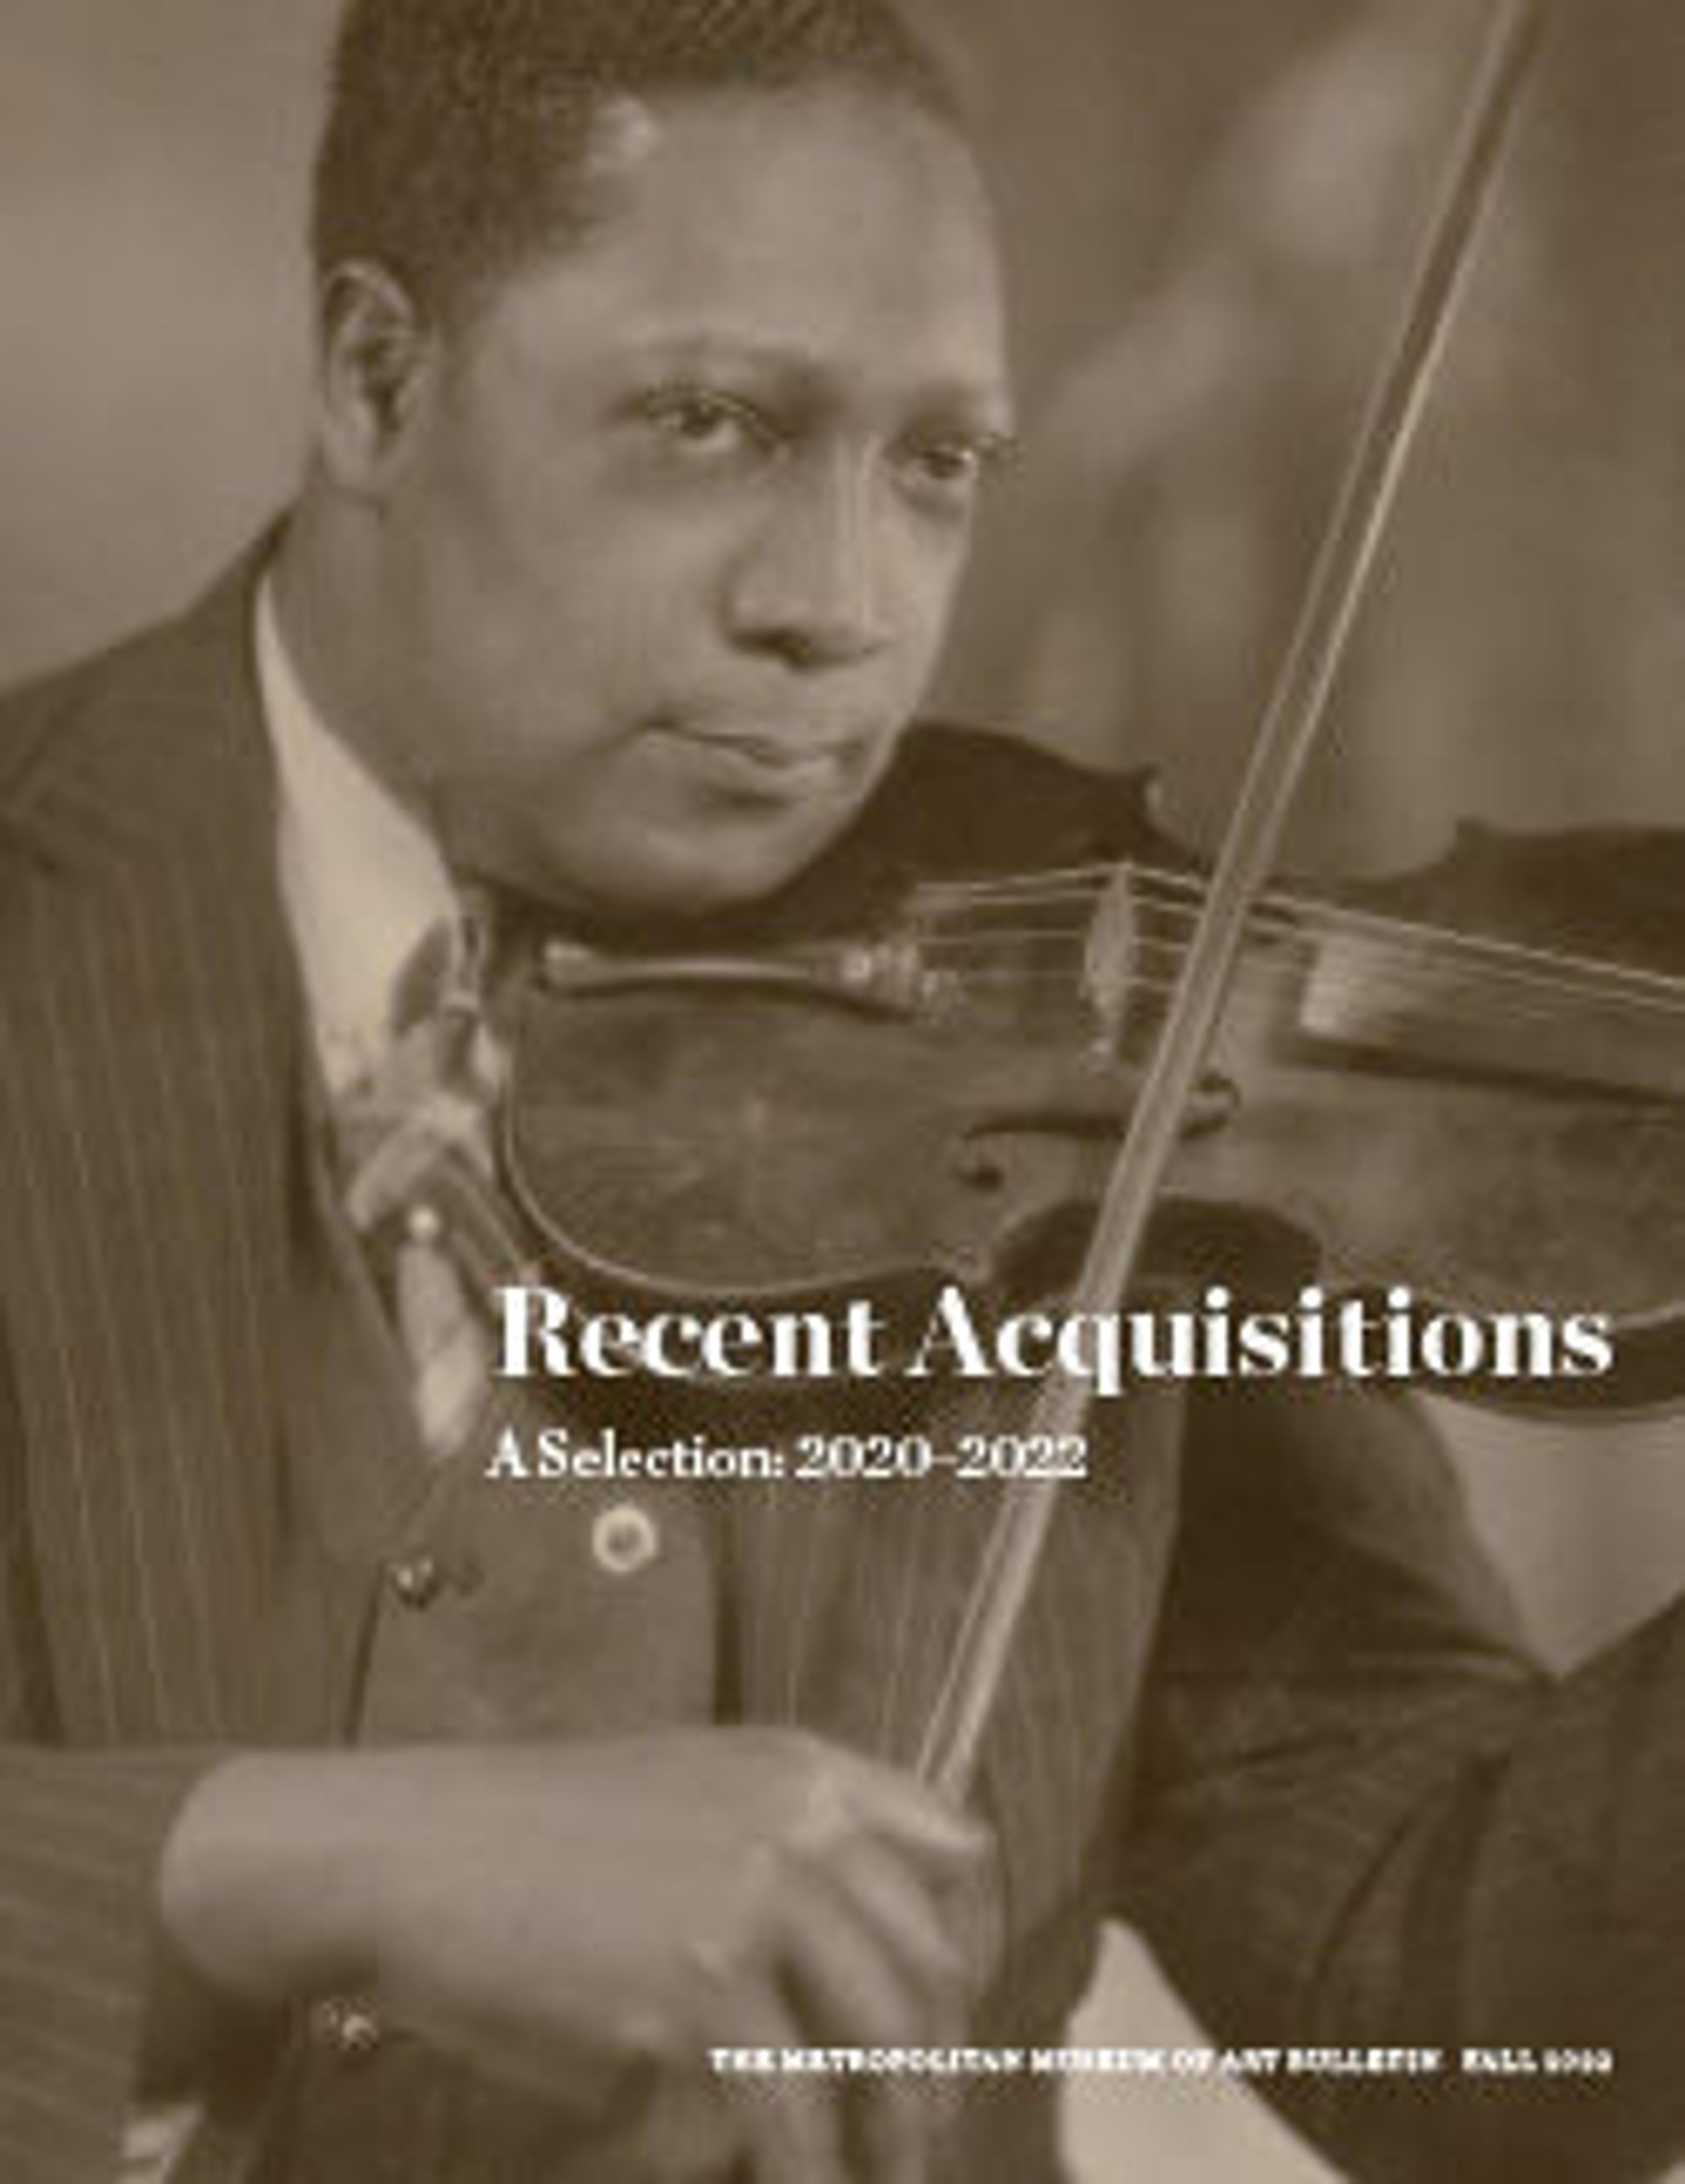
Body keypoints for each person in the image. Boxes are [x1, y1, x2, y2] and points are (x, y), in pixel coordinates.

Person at [0, 4, 1680, 2182]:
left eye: (936, 467)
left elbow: (1433, 1983)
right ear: (374, 379)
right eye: (711, 421)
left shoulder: (1116, 1068)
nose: (843, 611)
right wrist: (283, 1860)